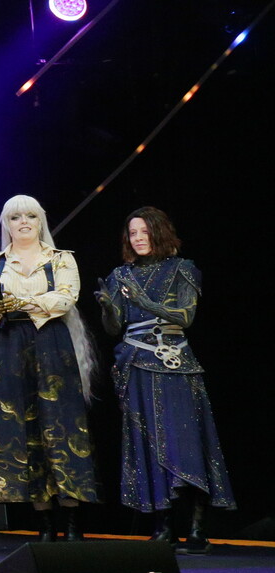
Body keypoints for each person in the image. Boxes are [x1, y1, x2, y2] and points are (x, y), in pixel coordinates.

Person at [96, 207, 234, 553]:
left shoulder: (182, 269)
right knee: (148, 446)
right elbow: (114, 328)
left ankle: (197, 529)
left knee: (186, 443)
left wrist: (145, 301)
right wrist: (108, 308)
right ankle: (164, 527)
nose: (138, 238)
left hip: (175, 364)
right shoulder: (120, 275)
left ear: (159, 232)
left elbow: (185, 317)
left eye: (144, 231)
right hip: (136, 365)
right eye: (132, 233)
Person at [0, 195, 99, 539]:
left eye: (30, 216)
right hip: (7, 347)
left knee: (63, 426)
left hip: (52, 345)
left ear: (40, 221)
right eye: (16, 217)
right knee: (19, 430)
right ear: (6, 224)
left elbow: (66, 297)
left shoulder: (61, 259)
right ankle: (43, 523)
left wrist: (22, 302)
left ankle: (72, 520)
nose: (24, 222)